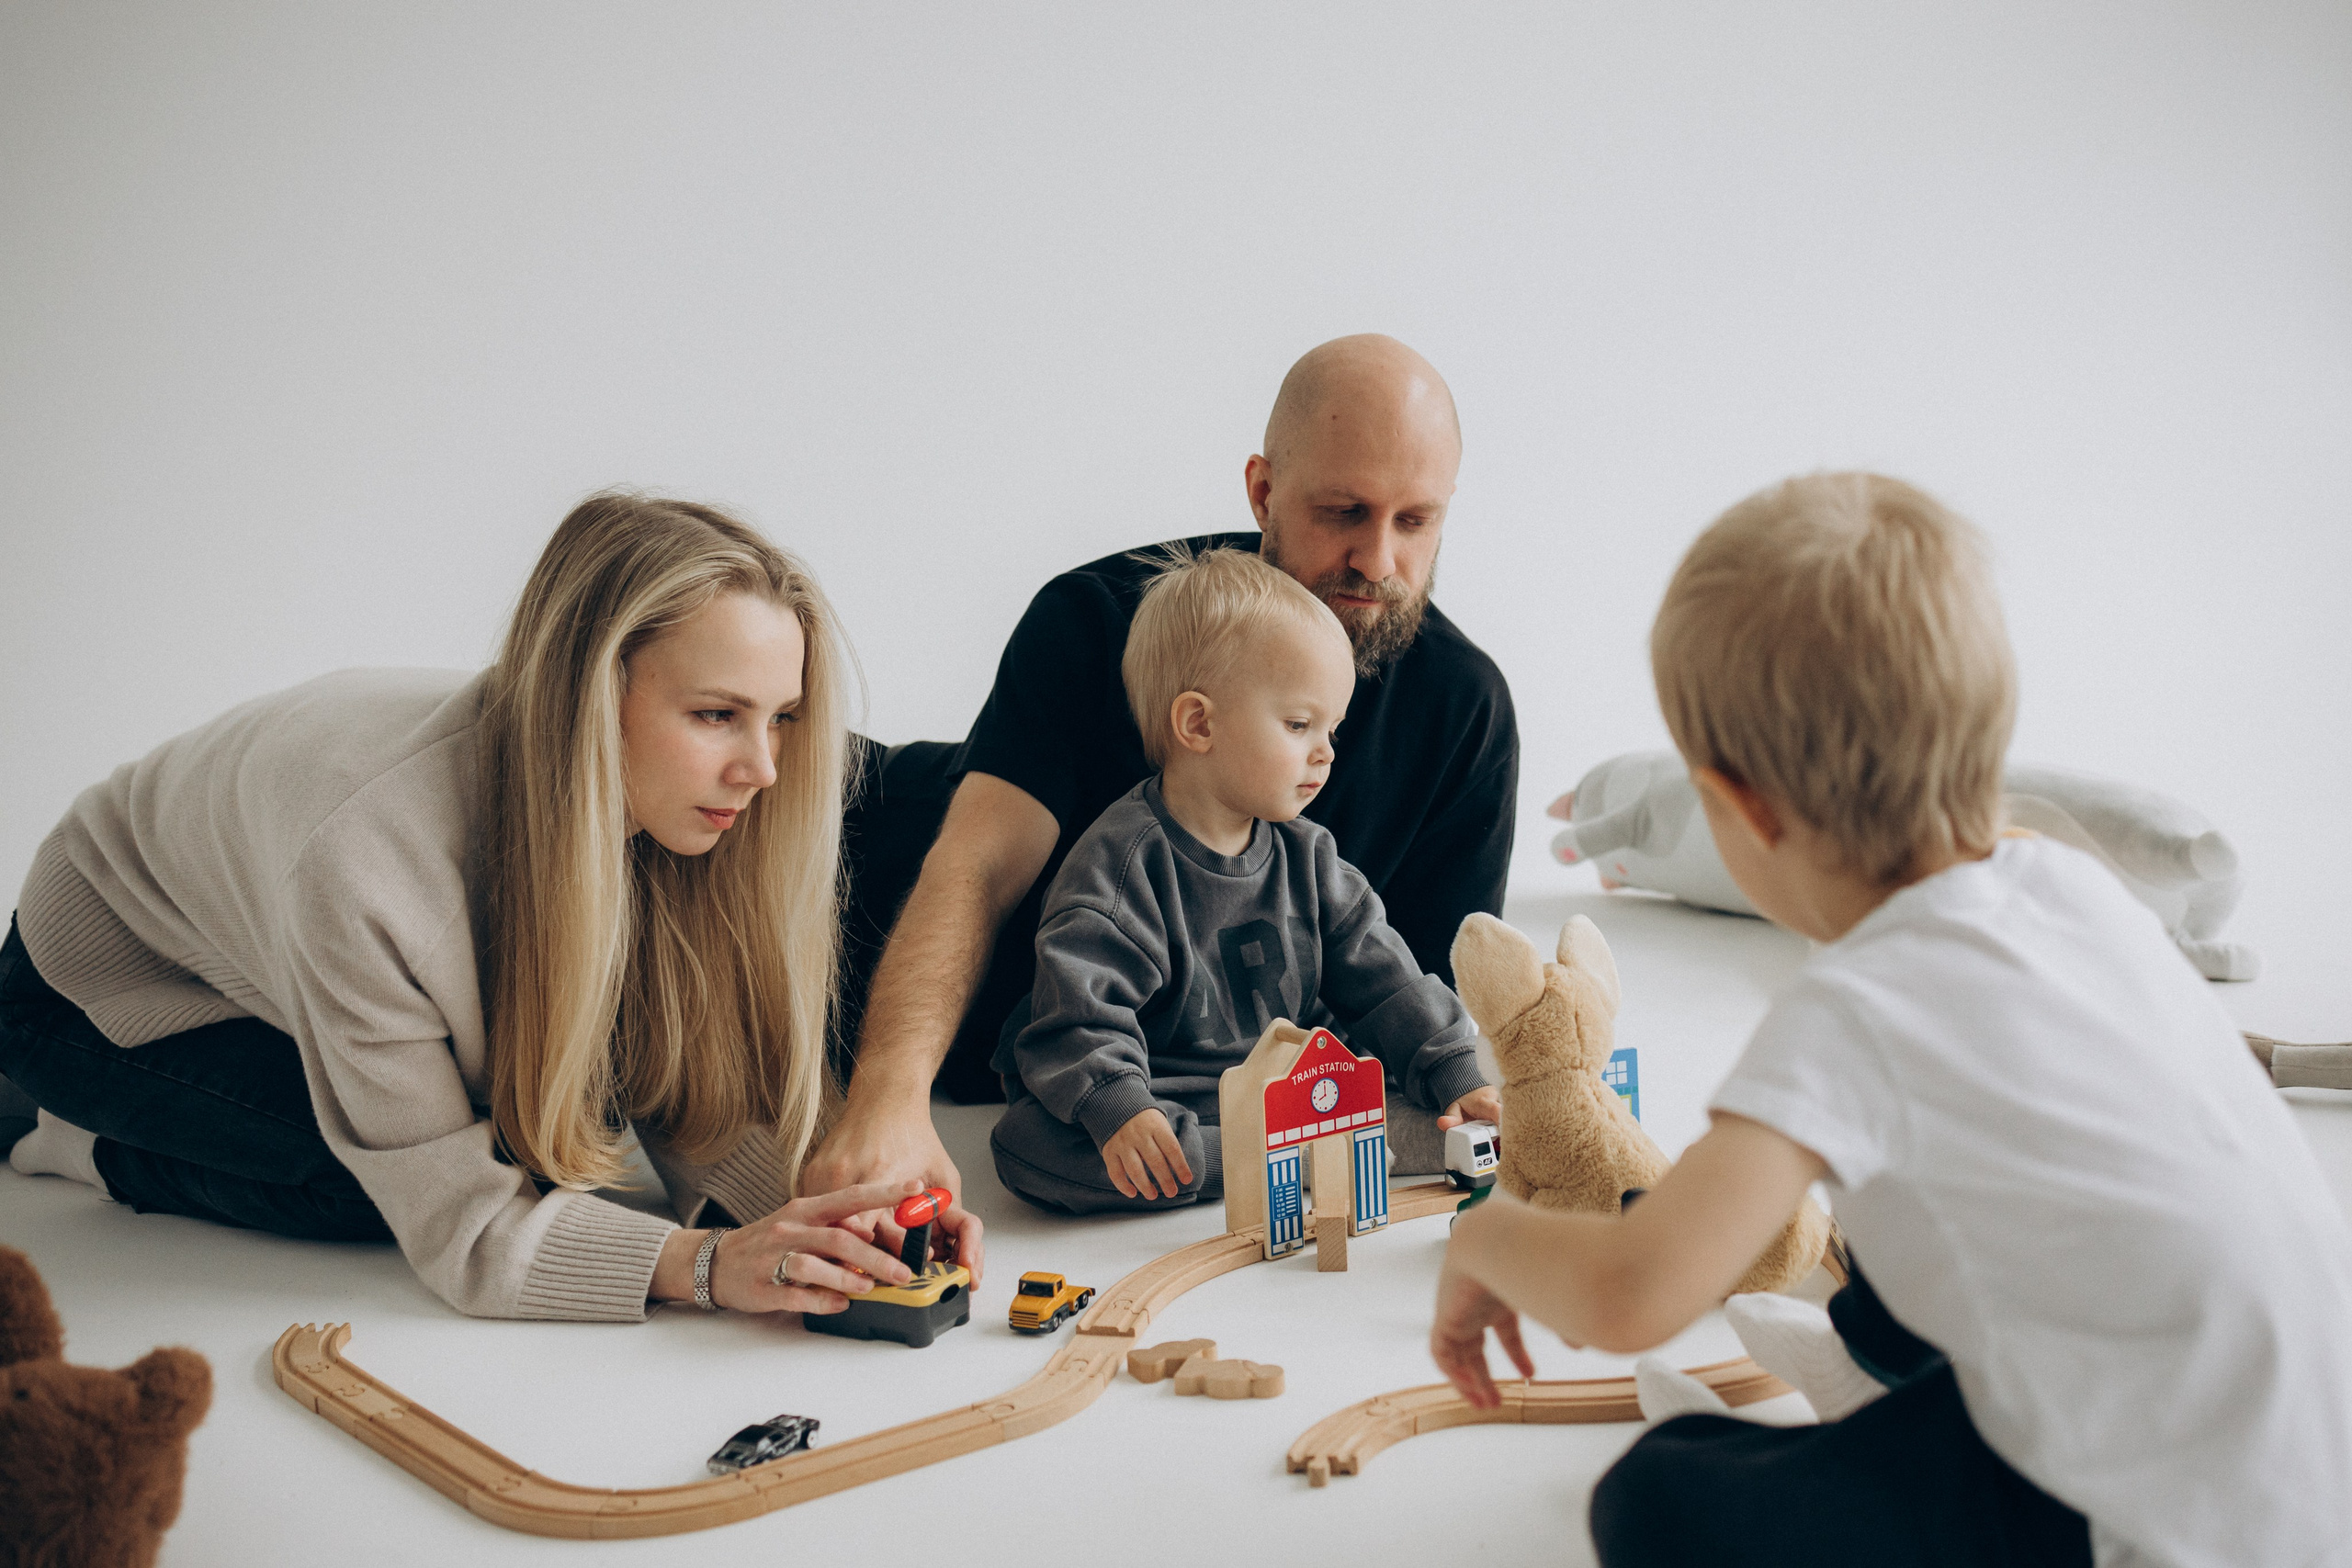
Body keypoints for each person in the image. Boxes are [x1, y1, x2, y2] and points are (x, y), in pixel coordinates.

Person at [1427, 472, 2352, 1566]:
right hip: (2308, 1467)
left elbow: (1630, 1294)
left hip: (2151, 1530)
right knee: (1934, 1225)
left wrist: (1484, 1236)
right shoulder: (2071, 888)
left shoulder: (1854, 1012)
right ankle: (1861, 1393)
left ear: (1740, 808)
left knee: (1657, 1497)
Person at [0, 491, 981, 1320]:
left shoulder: (671, 803)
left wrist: (834, 1224)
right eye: (716, 715)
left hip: (278, 929)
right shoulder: (367, 859)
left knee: (539, 1113)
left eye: (784, 720)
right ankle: (61, 1134)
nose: (762, 769)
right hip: (109, 991)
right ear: (585, 693)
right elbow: (461, 1228)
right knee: (376, 1180)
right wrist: (708, 1270)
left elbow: (681, 1078)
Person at [811, 334, 1519, 1200]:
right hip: (845, 882)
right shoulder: (1098, 621)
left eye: (1415, 521)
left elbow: (1396, 986)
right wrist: (886, 1096)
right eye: (1343, 512)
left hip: (1181, 1086)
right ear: (1263, 491)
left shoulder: (1463, 711)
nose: (1377, 559)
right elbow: (976, 868)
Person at [989, 547, 1498, 1213]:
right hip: (1177, 1099)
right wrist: (1120, 1107)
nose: (1326, 752)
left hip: (1297, 1083)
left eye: (1332, 730)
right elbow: (1078, 1011)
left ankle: (1323, 1137)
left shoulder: (1310, 857)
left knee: (1402, 1077)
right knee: (1027, 1144)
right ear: (1198, 723)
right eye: (1298, 724)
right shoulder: (1122, 866)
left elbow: (1389, 982)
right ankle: (1308, 1150)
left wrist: (1454, 1070)